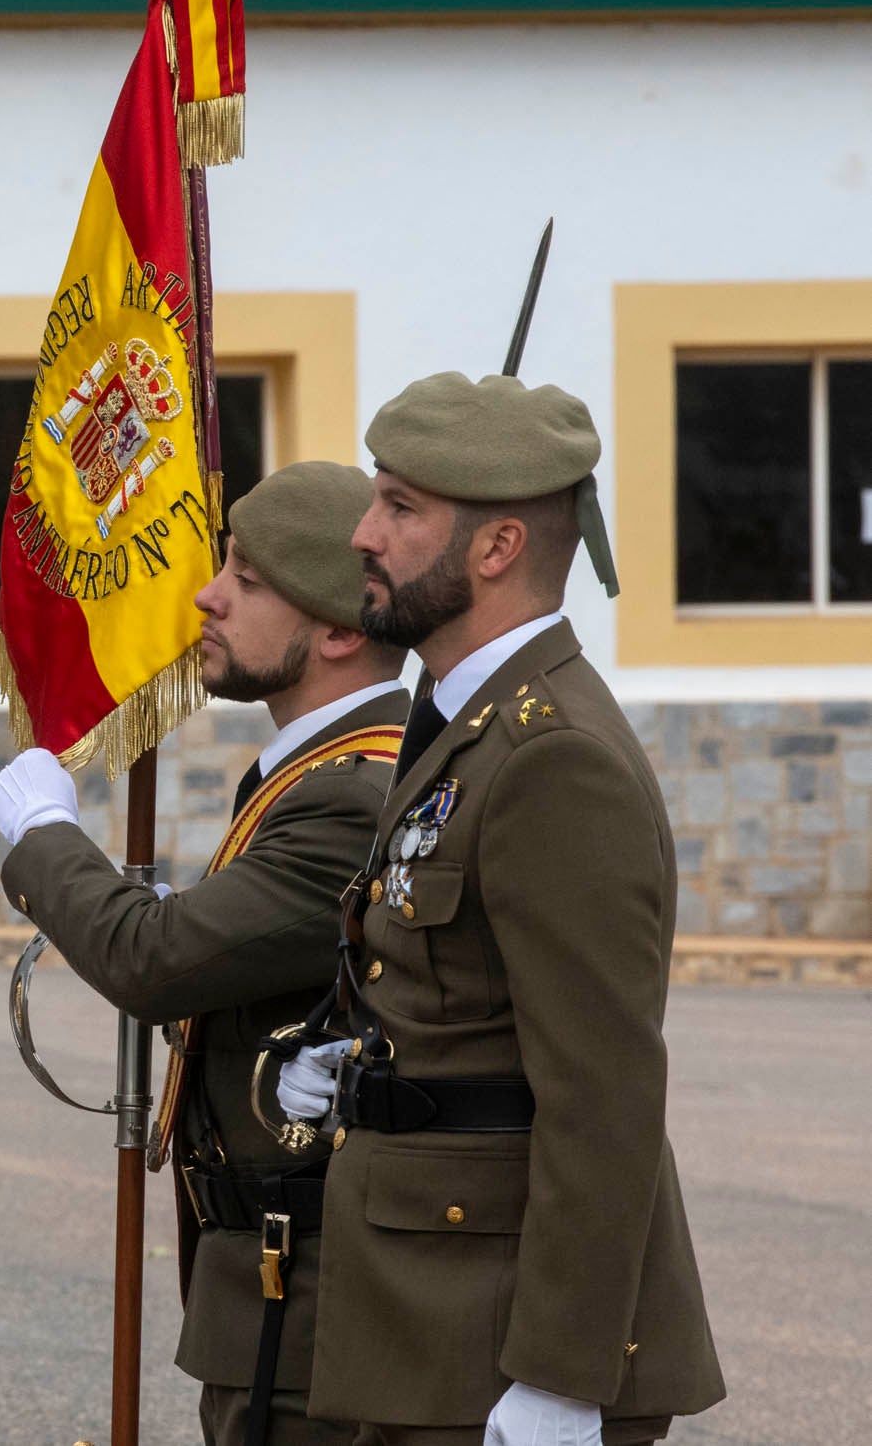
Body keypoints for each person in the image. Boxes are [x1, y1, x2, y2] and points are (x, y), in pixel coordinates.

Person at [287, 372, 723, 1446]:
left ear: (493, 551)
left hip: (497, 1337)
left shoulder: (550, 756)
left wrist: (561, 1379)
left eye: (398, 508)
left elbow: (604, 1092)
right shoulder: (462, 720)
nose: (361, 534)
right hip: (430, 1312)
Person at [0, 461, 410, 1446]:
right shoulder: (313, 775)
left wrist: (42, 836)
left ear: (340, 631)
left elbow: (155, 959)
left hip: (305, 1302)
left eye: (249, 581)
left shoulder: (349, 794)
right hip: (269, 1288)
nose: (207, 596)